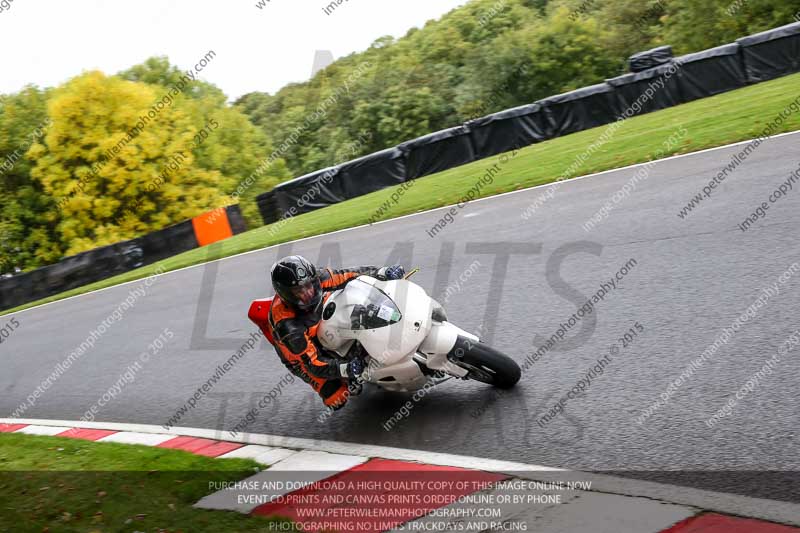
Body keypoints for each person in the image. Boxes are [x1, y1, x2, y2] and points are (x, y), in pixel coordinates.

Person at [266, 255, 405, 410]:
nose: (308, 292)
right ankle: (343, 378)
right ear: (286, 294)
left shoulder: (319, 277)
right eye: (299, 290)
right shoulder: (287, 326)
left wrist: (383, 272)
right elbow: (313, 364)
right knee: (337, 398)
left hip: (320, 319)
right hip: (301, 357)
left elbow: (349, 275)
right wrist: (346, 368)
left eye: (309, 285)